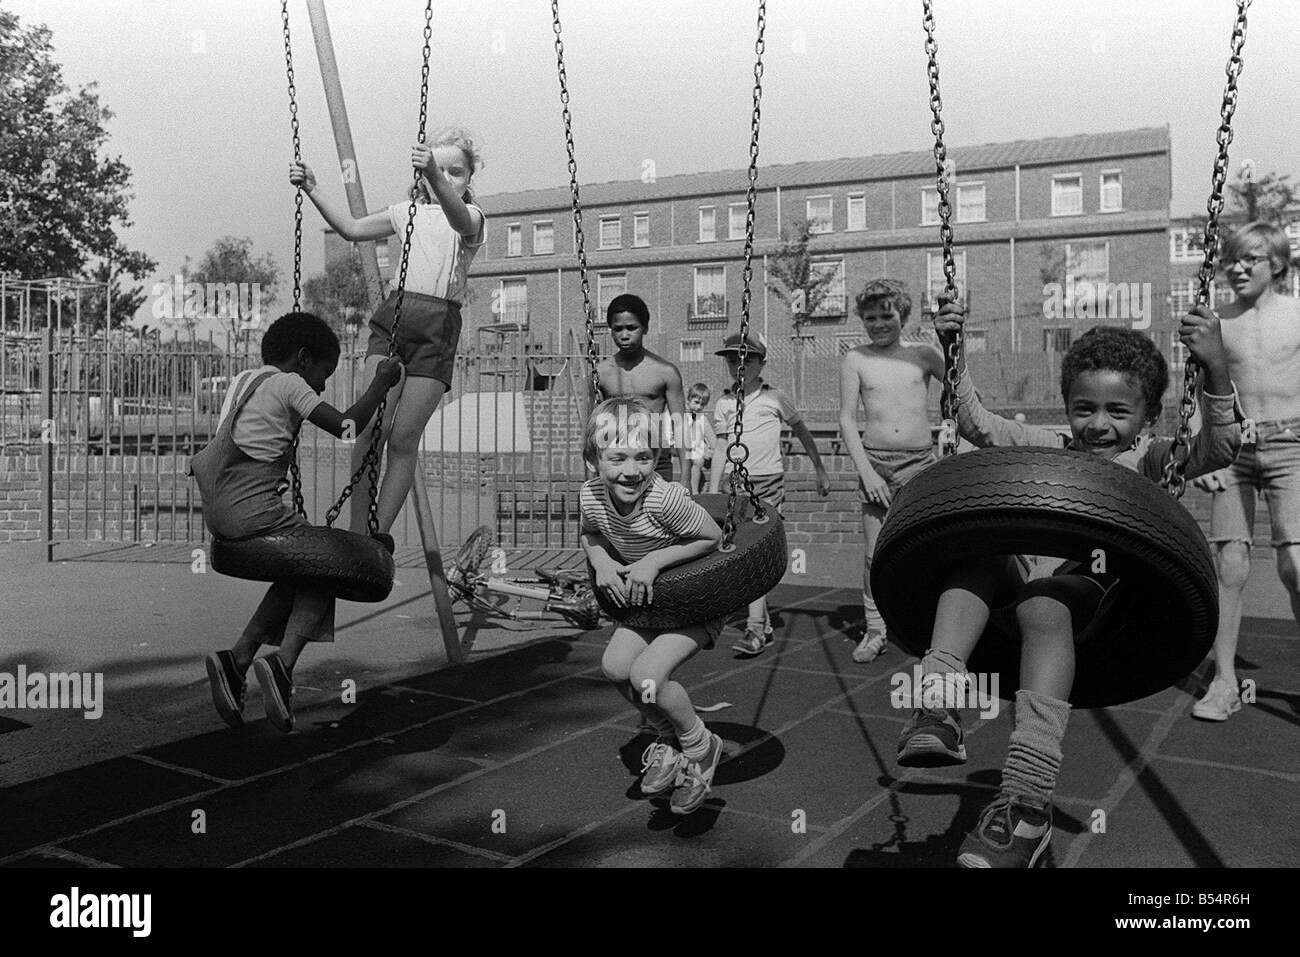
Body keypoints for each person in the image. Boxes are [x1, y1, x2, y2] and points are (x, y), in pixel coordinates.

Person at [903, 297, 1240, 868]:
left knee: (1043, 604)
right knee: (977, 559)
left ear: (1148, 416)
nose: (1099, 424)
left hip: (1095, 600)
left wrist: (1217, 371)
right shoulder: (1047, 447)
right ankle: (938, 706)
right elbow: (973, 423)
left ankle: (1028, 805)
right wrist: (953, 350)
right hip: (1022, 593)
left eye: (1117, 411)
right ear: (1066, 408)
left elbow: (1221, 447)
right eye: (1084, 408)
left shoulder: (1155, 459)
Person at [194, 313, 402, 732]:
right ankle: (284, 663)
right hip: (253, 515)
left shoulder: (242, 382)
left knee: (303, 567)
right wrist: (381, 384)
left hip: (221, 521)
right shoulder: (289, 383)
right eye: (323, 374)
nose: (322, 386)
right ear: (303, 359)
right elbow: (347, 429)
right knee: (333, 562)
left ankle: (237, 660)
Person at [288, 126, 486, 534]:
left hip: (438, 327)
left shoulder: (472, 219)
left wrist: (432, 172)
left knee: (403, 439)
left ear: (470, 178)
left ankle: (378, 535)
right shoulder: (405, 213)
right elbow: (352, 229)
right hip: (395, 319)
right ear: (420, 173)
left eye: (457, 172)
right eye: (439, 169)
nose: (446, 178)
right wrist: (312, 187)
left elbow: (458, 216)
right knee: (369, 432)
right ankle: (357, 531)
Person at [581, 396, 726, 814]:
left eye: (643, 457)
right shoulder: (590, 496)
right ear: (594, 460)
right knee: (615, 668)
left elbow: (710, 537)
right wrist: (603, 559)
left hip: (697, 601)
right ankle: (668, 736)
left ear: (656, 456)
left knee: (648, 675)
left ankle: (700, 746)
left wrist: (652, 560)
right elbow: (590, 534)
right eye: (618, 458)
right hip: (649, 604)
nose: (631, 470)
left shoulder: (663, 499)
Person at [1190, 221, 1300, 721]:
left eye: (1248, 259)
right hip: (1233, 448)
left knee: (1294, 567)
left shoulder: (1297, 316)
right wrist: (1203, 452)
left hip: (1291, 446)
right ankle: (1225, 682)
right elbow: (1197, 394)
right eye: (1230, 258)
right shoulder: (1216, 322)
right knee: (1229, 567)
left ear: (1276, 264)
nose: (1235, 267)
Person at [839, 279, 944, 663]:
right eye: (871, 318)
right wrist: (866, 472)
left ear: (904, 315)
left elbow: (963, 389)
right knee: (873, 554)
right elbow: (847, 420)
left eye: (887, 315)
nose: (879, 324)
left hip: (919, 463)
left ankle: (932, 629)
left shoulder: (924, 354)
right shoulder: (856, 358)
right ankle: (875, 629)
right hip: (876, 462)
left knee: (925, 551)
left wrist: (954, 336)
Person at [708, 333, 831, 656]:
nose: (739, 365)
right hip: (736, 485)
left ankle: (754, 629)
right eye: (733, 360)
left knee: (754, 551)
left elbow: (802, 433)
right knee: (740, 554)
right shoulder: (723, 403)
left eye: (747, 359)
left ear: (762, 364)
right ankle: (760, 624)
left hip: (768, 484)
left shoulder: (774, 397)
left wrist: (819, 469)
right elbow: (721, 445)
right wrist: (711, 486)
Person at [594, 294, 691, 489]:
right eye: (618, 329)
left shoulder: (665, 372)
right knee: (617, 518)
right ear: (610, 330)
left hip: (655, 458)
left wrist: (686, 478)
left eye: (632, 328)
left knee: (658, 515)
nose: (624, 335)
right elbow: (592, 428)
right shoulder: (601, 374)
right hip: (615, 458)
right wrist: (593, 475)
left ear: (645, 328)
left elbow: (680, 425)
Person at [685, 382, 716, 494]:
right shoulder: (681, 415)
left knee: (698, 460)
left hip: (695, 450)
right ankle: (692, 491)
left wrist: (709, 450)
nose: (699, 407)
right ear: (688, 400)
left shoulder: (701, 419)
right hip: (682, 447)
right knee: (697, 460)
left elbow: (713, 442)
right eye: (696, 402)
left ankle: (695, 492)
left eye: (702, 405)